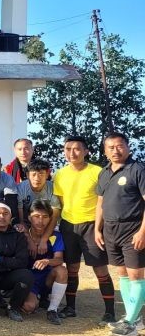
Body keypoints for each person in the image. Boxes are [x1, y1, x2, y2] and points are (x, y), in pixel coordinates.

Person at [53, 135, 112, 323]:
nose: (72, 153)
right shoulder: (60, 174)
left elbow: (104, 201)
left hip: (92, 226)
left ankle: (110, 312)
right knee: (72, 268)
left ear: (86, 151)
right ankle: (70, 307)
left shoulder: (98, 172)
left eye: (77, 149)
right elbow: (61, 203)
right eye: (67, 149)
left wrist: (99, 227)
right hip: (68, 226)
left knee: (100, 269)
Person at [95, 132, 145, 336]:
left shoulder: (138, 169)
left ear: (127, 147)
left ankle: (131, 323)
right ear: (105, 151)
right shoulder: (104, 173)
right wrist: (98, 228)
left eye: (120, 146)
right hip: (110, 230)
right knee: (122, 273)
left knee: (136, 275)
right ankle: (133, 317)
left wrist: (142, 232)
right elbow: (100, 202)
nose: (116, 150)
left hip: (132, 229)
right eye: (111, 147)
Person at [22, 200, 67, 325]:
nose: (40, 221)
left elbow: (59, 259)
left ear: (50, 218)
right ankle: (37, 299)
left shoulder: (55, 235)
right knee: (28, 307)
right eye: (36, 216)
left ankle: (52, 309)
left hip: (47, 278)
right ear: (29, 218)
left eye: (45, 217)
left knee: (62, 270)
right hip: (30, 280)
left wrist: (47, 261)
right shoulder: (23, 236)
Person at [17, 159, 61, 251]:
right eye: (33, 174)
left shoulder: (53, 188)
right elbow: (20, 220)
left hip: (46, 224)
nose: (37, 178)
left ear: (47, 174)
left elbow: (54, 217)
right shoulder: (20, 188)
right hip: (26, 224)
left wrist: (44, 240)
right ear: (28, 175)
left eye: (41, 174)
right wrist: (30, 241)